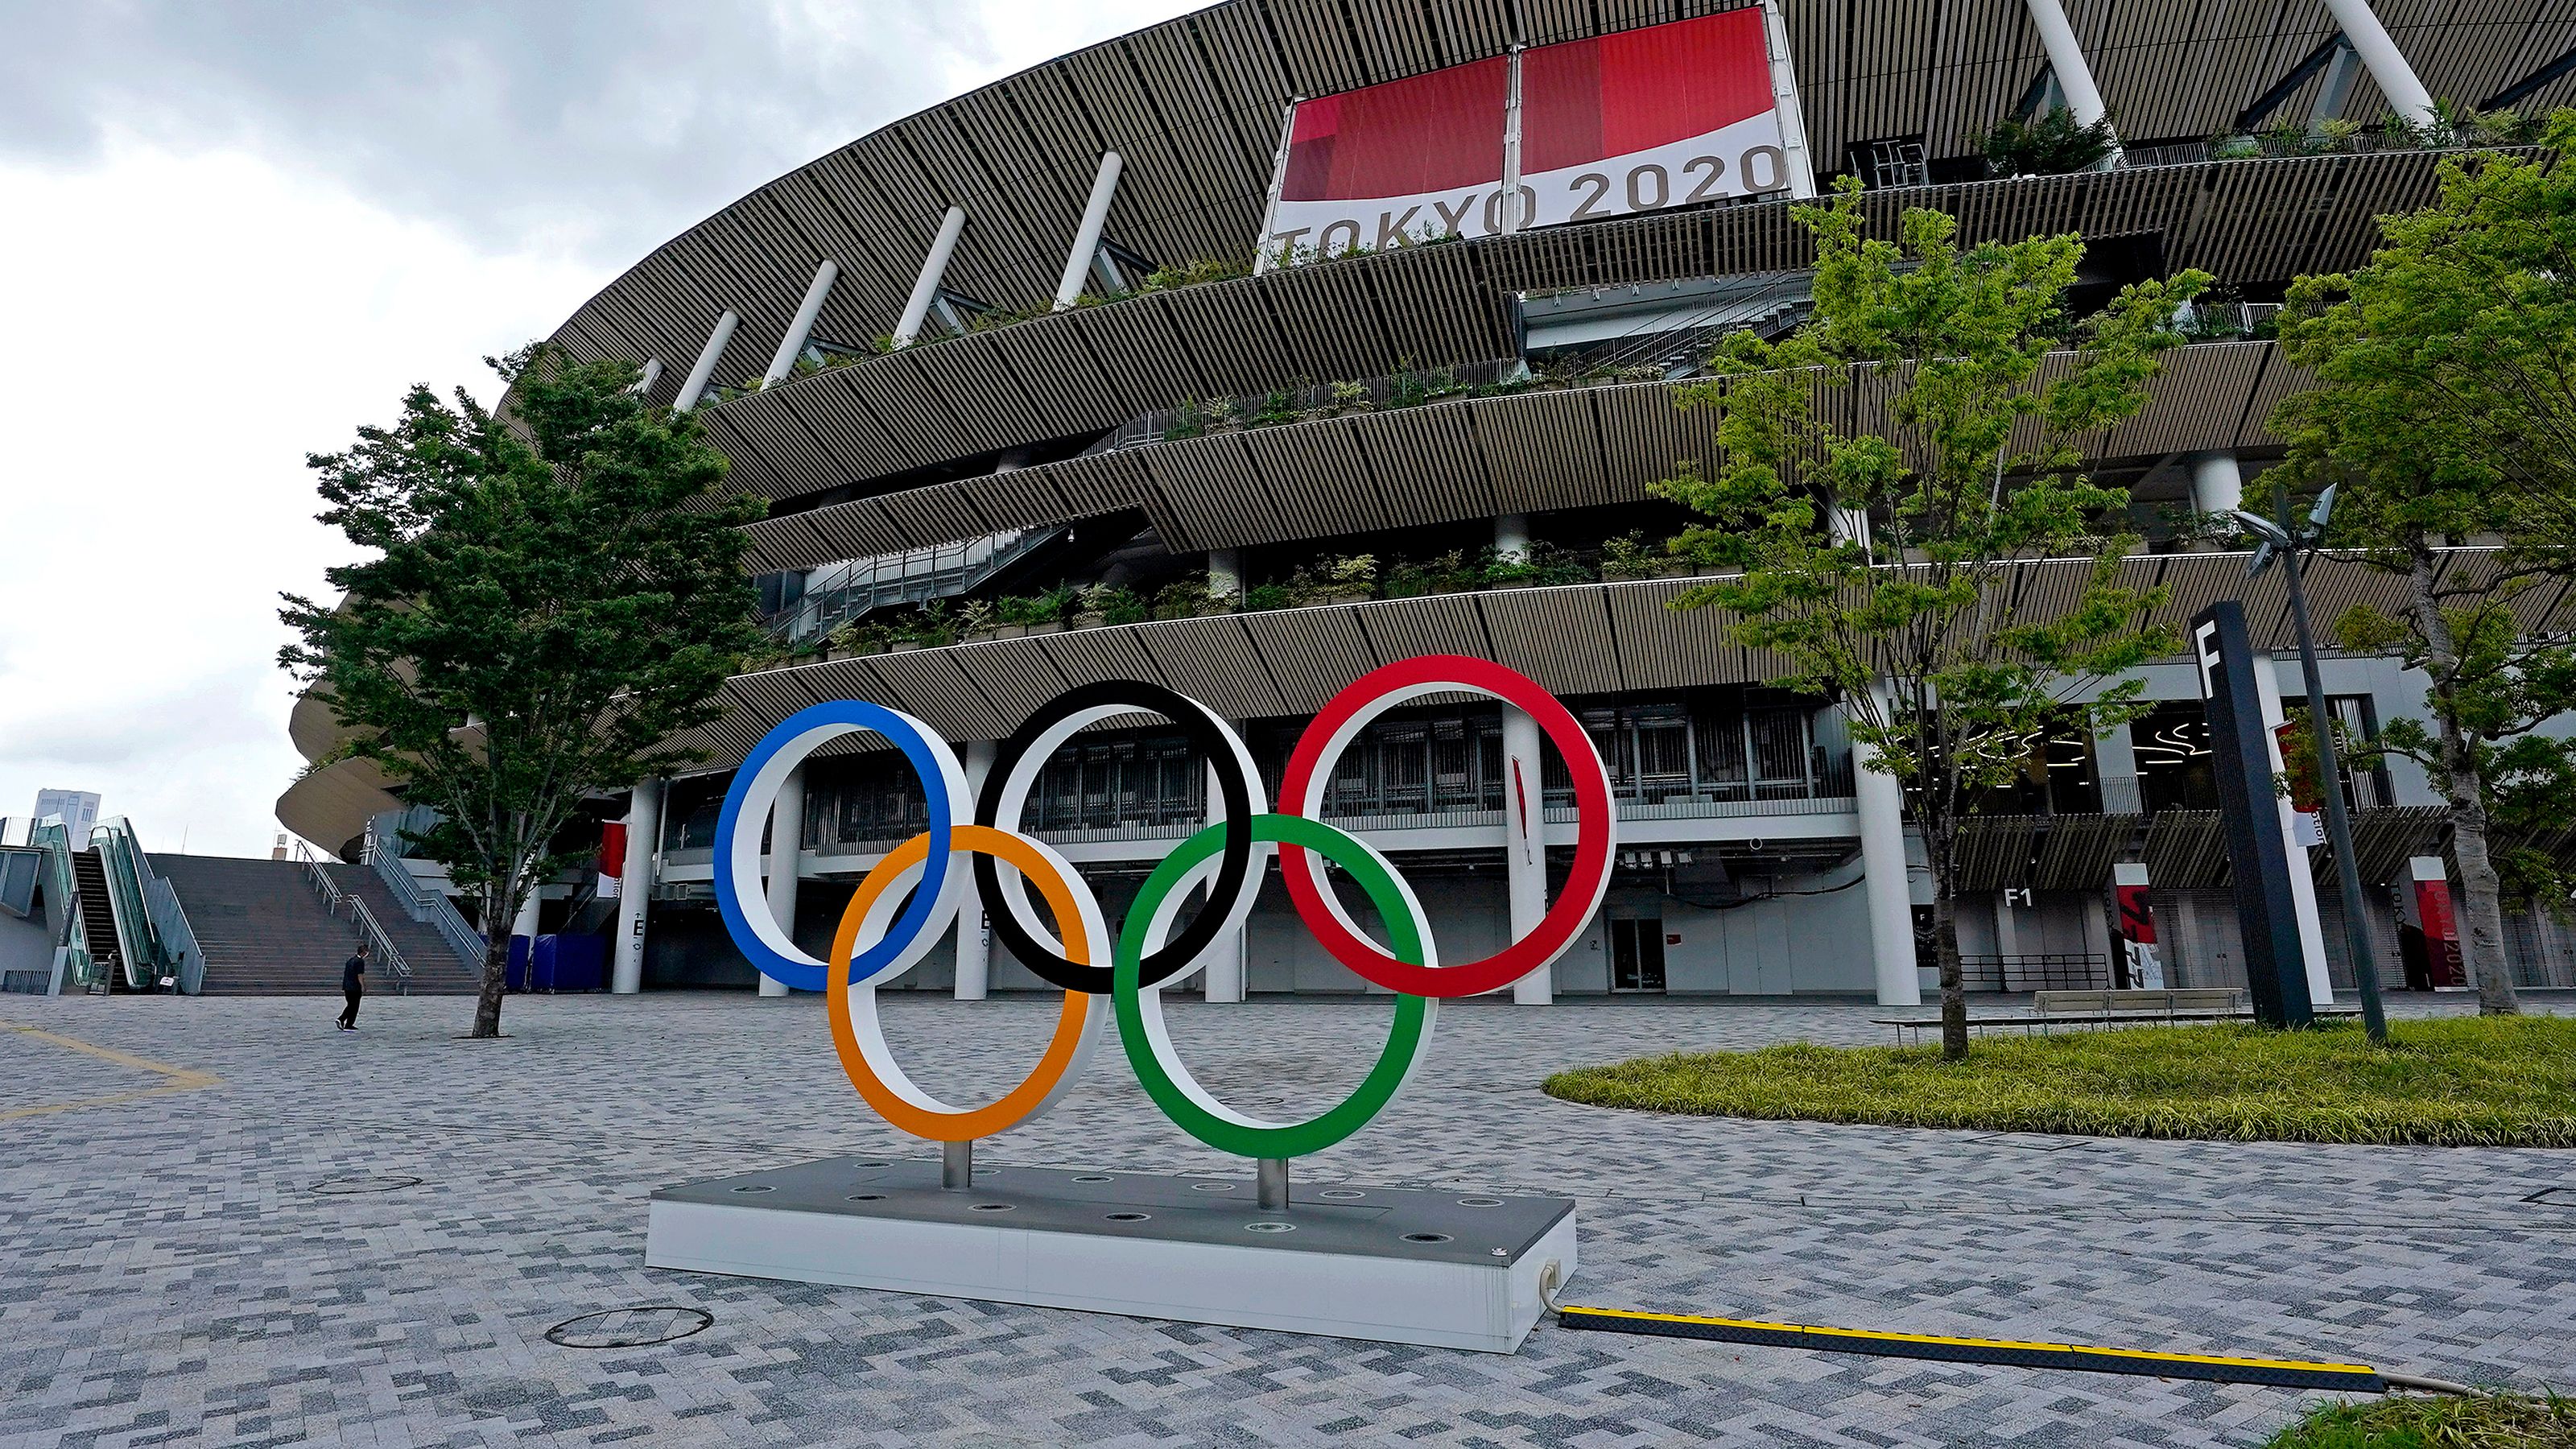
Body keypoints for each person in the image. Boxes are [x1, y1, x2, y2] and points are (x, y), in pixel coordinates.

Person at [338, 946, 366, 1030]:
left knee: (351, 1005)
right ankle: (344, 1020)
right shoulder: (360, 961)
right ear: (363, 952)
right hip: (355, 987)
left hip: (347, 986)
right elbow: (360, 975)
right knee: (354, 1006)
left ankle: (345, 1022)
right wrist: (363, 986)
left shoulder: (350, 960)